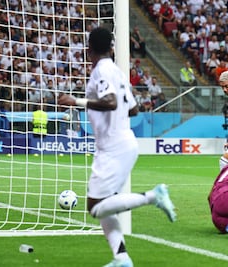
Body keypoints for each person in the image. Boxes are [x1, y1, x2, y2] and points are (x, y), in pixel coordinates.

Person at [58, 27, 176, 267]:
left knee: (95, 207)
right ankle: (121, 258)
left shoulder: (101, 70)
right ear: (112, 48)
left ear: (88, 49)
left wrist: (77, 101)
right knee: (106, 203)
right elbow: (134, 109)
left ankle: (153, 196)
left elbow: (111, 102)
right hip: (122, 142)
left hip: (113, 147)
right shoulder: (118, 72)